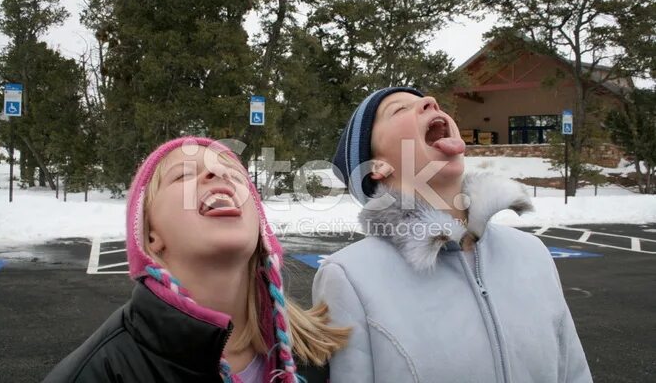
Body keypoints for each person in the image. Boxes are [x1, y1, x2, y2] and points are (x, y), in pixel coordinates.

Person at [312, 87, 592, 382]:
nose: (430, 102)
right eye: (398, 109)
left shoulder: (533, 253)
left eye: (429, 102)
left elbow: (573, 373)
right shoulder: (349, 277)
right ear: (377, 166)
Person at [44, 136, 349, 383]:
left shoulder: (320, 354)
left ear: (261, 231)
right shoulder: (98, 373)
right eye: (184, 175)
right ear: (150, 236)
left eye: (233, 175)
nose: (215, 174)